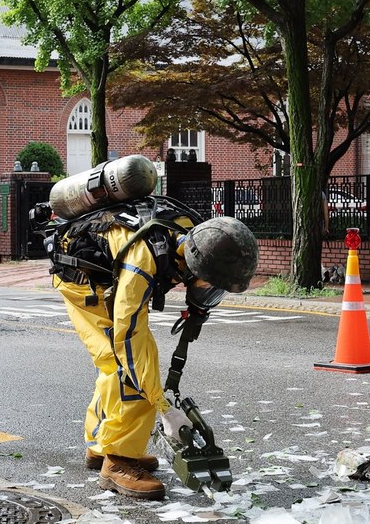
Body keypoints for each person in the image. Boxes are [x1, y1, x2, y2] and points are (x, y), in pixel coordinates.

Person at [45, 198, 258, 500]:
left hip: (109, 273)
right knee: (131, 369)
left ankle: (100, 446)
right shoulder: (143, 261)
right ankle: (118, 462)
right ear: (193, 266)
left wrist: (198, 307)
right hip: (85, 284)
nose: (208, 292)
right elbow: (128, 339)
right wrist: (164, 408)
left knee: (118, 366)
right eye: (208, 285)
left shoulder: (195, 237)